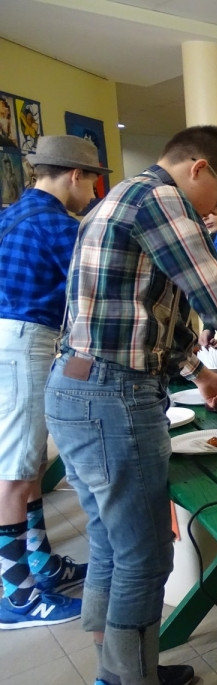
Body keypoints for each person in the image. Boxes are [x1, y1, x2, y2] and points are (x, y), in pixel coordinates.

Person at [44, 125, 217, 685]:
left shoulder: (116, 198)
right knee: (144, 559)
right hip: (112, 397)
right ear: (199, 169)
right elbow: (215, 292)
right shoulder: (161, 198)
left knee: (109, 546)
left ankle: (118, 682)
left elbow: (140, 310)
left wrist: (198, 372)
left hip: (74, 389)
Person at [0, 136, 109, 632]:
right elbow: (101, 284)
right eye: (91, 180)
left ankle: (42, 566)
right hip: (26, 341)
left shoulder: (13, 213)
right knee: (15, 473)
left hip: (16, 340)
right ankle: (17, 596)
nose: (91, 191)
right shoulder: (55, 224)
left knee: (32, 464)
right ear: (73, 176)